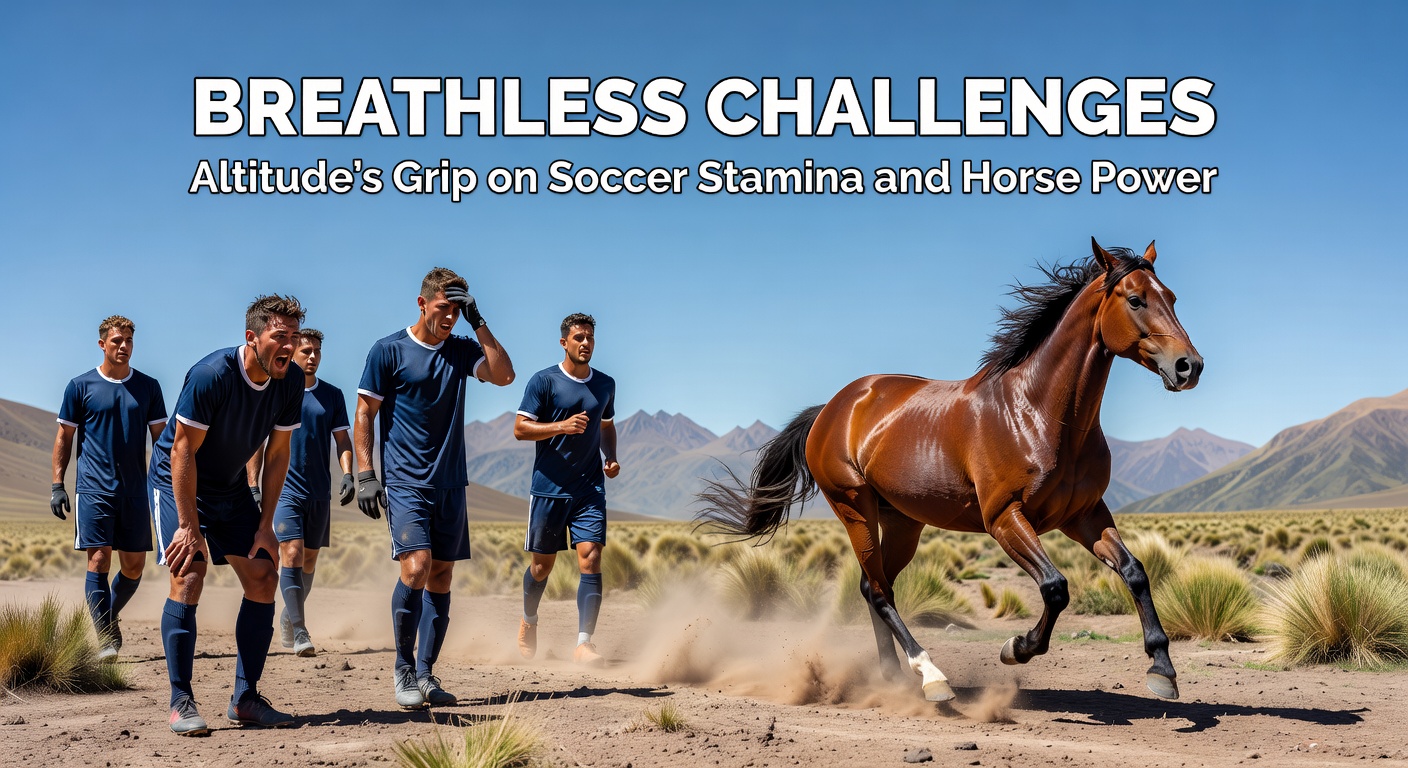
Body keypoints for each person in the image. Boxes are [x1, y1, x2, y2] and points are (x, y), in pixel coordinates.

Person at [354, 267, 514, 709]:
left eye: (457, 311)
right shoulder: (388, 351)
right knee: (417, 566)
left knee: (442, 575)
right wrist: (366, 474)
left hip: (450, 482)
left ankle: (426, 674)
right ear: (422, 303)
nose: (450, 318)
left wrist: (478, 319)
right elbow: (365, 412)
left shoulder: (462, 350)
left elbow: (504, 375)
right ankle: (403, 669)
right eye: (444, 308)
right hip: (407, 479)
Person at [150, 295, 306, 735]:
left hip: (232, 486)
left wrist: (265, 525)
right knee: (189, 572)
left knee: (263, 575)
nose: (289, 346)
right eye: (280, 336)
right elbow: (182, 450)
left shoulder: (290, 380)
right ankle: (181, 701)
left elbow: (277, 454)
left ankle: (245, 698)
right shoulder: (211, 375)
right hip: (179, 480)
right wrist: (187, 526)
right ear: (251, 337)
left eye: (294, 337)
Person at [52, 315, 167, 661]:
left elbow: (162, 441)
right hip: (93, 488)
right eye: (117, 341)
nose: (123, 347)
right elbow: (64, 437)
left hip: (134, 491)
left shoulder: (148, 387)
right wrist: (57, 483)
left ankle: (108, 615)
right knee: (99, 559)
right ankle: (104, 637)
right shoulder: (80, 386)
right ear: (102, 344)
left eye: (129, 341)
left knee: (133, 567)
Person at [513, 313, 619, 667]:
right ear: (564, 342)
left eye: (590, 337)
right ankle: (529, 620)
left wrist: (611, 456)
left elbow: (606, 425)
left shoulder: (605, 384)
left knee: (591, 557)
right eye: (578, 338)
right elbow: (520, 428)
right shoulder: (543, 382)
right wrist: (562, 426)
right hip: (548, 489)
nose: (585, 343)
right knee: (541, 568)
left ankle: (584, 643)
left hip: (589, 488)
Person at [245, 328, 354, 658]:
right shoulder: (275, 390)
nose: (312, 356)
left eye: (317, 351)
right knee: (290, 554)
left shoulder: (332, 396)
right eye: (305, 350)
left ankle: (289, 617)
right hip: (285, 490)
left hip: (319, 492)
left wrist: (349, 474)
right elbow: (257, 442)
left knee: (308, 562)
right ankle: (302, 629)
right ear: (292, 353)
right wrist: (253, 484)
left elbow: (343, 440)